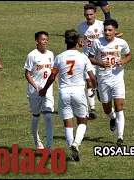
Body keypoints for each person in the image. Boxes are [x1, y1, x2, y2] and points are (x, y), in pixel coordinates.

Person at [39, 29, 96, 162]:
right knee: (82, 120)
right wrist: (94, 88)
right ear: (77, 42)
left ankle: (72, 149)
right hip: (78, 92)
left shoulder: (59, 57)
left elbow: (53, 75)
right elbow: (92, 76)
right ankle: (76, 143)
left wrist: (44, 89)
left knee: (68, 123)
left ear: (65, 41)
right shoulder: (83, 57)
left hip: (64, 92)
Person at [88, 19, 132, 146]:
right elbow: (90, 58)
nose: (107, 32)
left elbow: (129, 56)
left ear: (115, 30)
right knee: (107, 109)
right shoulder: (97, 42)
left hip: (118, 79)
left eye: (110, 30)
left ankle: (120, 138)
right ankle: (112, 118)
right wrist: (101, 63)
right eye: (105, 30)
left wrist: (123, 61)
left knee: (119, 107)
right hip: (103, 79)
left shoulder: (122, 43)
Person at [24, 31, 55, 151]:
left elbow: (53, 72)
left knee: (48, 116)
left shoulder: (51, 54)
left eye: (47, 39)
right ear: (37, 41)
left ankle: (49, 146)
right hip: (34, 92)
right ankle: (37, 140)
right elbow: (27, 74)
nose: (46, 41)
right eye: (43, 39)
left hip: (47, 91)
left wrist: (57, 82)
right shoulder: (32, 55)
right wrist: (35, 86)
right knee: (36, 115)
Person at [77, 3, 104, 120]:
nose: (89, 17)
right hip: (87, 58)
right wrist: (80, 43)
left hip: (100, 57)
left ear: (95, 14)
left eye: (91, 14)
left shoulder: (102, 25)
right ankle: (92, 109)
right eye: (87, 15)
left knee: (99, 82)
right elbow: (79, 39)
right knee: (89, 81)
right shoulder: (81, 26)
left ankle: (97, 89)